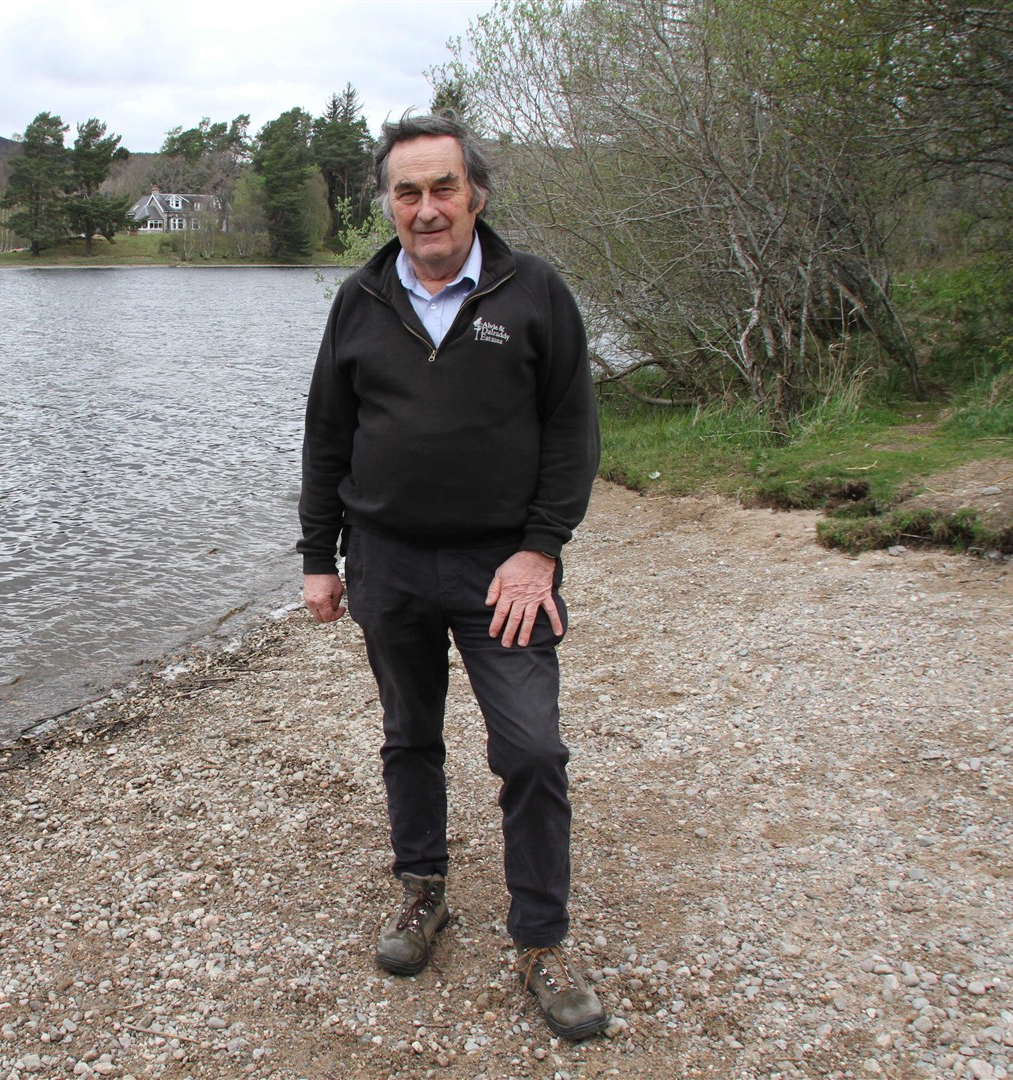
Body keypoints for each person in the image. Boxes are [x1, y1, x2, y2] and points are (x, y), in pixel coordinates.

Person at [297, 111, 605, 1040]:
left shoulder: (534, 293)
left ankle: (541, 942)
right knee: (409, 735)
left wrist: (539, 549)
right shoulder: (359, 300)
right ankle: (423, 893)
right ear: (387, 201)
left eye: (442, 188)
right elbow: (327, 436)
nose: (426, 209)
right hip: (386, 564)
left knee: (533, 750)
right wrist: (319, 557)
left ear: (475, 193)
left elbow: (572, 433)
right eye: (407, 191)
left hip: (501, 570)